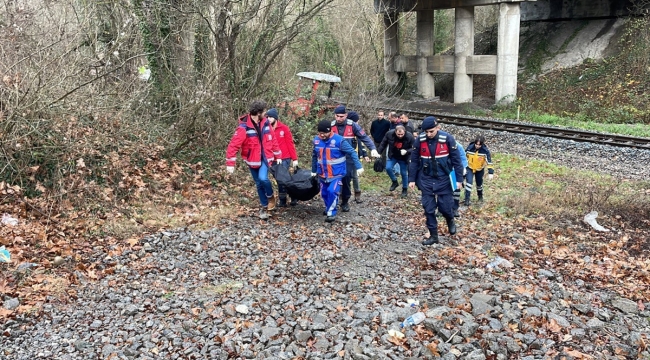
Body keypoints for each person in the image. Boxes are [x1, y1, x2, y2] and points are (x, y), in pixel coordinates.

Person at [408, 116, 464, 246]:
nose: (429, 134)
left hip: (444, 178)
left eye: (431, 131)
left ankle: (450, 220)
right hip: (426, 179)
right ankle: (434, 236)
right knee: (428, 209)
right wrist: (411, 179)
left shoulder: (447, 139)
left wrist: (459, 179)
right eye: (426, 132)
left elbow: (457, 161)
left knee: (445, 207)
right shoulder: (419, 141)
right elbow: (414, 161)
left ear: (437, 128)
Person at [226, 100, 283, 219]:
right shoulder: (244, 127)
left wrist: (278, 155)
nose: (266, 114)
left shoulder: (266, 123)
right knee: (258, 183)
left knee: (263, 178)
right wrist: (230, 163)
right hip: (252, 159)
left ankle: (270, 196)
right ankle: (264, 207)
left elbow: (273, 140)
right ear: (258, 113)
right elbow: (233, 145)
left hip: (266, 157)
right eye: (264, 112)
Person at [311, 120, 364, 223]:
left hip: (336, 173)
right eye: (320, 133)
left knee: (332, 191)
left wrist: (358, 166)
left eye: (324, 133)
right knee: (324, 193)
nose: (322, 135)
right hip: (322, 173)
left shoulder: (339, 141)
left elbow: (352, 152)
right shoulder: (316, 140)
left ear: (330, 131)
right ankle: (328, 208)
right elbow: (314, 156)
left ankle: (331, 213)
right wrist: (313, 170)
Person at [330, 105, 380, 212]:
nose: (338, 119)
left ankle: (345, 201)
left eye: (341, 116)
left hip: (348, 157)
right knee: (334, 179)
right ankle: (334, 198)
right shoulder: (331, 126)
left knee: (347, 178)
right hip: (334, 157)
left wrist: (372, 148)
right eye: (337, 116)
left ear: (346, 115)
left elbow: (364, 137)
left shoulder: (352, 126)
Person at [266, 108, 299, 207]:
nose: (269, 119)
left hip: (284, 158)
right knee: (278, 179)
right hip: (273, 159)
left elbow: (290, 144)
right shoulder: (266, 129)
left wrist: (294, 159)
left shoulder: (284, 128)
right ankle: (287, 197)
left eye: (271, 117)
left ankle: (285, 199)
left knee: (283, 179)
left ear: (275, 118)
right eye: (267, 117)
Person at [377, 125, 415, 198]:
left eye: (402, 134)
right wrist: (378, 152)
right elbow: (383, 143)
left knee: (404, 173)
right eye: (398, 134)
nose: (400, 136)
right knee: (388, 168)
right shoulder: (389, 134)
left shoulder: (409, 136)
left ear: (405, 132)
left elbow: (414, 148)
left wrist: (407, 151)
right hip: (393, 155)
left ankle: (404, 189)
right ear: (395, 132)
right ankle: (394, 181)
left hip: (404, 157)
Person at [464, 135, 494, 206]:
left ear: (482, 144)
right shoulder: (469, 149)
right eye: (476, 144)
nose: (477, 146)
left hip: (479, 169)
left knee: (479, 184)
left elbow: (489, 162)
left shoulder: (485, 151)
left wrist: (490, 172)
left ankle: (480, 197)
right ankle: (467, 199)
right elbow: (463, 157)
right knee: (469, 183)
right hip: (470, 168)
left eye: (479, 145)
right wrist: (463, 168)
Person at [347, 111, 369, 203]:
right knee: (345, 177)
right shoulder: (347, 131)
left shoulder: (357, 130)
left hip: (356, 157)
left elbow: (361, 144)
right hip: (346, 157)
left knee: (355, 176)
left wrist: (365, 154)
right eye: (357, 121)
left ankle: (357, 194)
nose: (358, 123)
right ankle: (343, 195)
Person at [452, 145, 469, 217]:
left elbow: (463, 158)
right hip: (444, 170)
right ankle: (441, 209)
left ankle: (455, 208)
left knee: (456, 190)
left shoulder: (458, 146)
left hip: (456, 170)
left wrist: (464, 168)